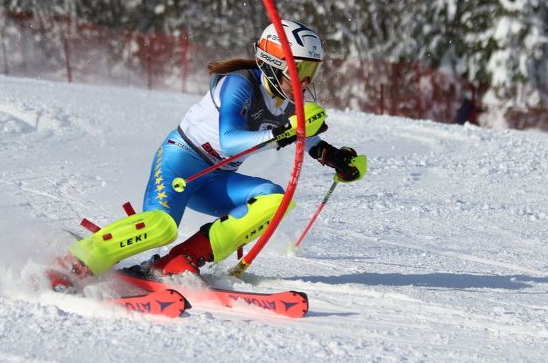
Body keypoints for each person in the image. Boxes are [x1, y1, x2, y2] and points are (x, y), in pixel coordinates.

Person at [65, 19, 367, 281]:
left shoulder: (288, 100)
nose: (304, 81)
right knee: (161, 226)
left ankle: (179, 262)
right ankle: (80, 259)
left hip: (217, 179)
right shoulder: (239, 85)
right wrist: (280, 132)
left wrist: (333, 157)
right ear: (275, 63)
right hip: (181, 162)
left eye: (311, 71)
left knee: (276, 200)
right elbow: (229, 141)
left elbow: (305, 139)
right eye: (299, 68)